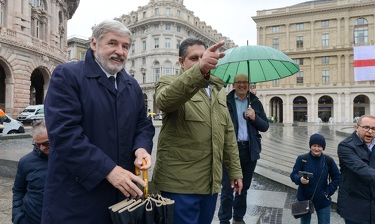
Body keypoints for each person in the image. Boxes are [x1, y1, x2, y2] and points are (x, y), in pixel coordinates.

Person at [41, 20, 155, 223]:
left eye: (125, 46)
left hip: (122, 199)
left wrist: (141, 148)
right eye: (113, 43)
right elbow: (65, 134)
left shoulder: (132, 85)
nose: (119, 51)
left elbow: (143, 125)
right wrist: (108, 170)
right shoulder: (67, 76)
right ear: (94, 44)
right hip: (77, 200)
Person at [152, 38, 243, 224]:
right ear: (181, 62)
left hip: (210, 184)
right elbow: (164, 101)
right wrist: (199, 71)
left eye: (204, 56)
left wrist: (235, 170)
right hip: (180, 184)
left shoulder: (218, 89)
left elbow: (228, 133)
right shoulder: (169, 81)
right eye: (194, 58)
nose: (201, 61)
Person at [218, 74, 269, 224]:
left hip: (249, 150)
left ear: (249, 84)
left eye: (245, 82)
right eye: (239, 82)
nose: (242, 85)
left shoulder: (255, 102)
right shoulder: (225, 102)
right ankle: (224, 219)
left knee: (243, 187)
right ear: (233, 85)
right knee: (227, 188)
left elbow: (265, 126)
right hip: (229, 150)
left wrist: (254, 118)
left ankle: (238, 218)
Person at [290, 133, 340, 224]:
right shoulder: (302, 159)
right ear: (310, 146)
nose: (316, 149)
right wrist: (300, 179)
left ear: (323, 147)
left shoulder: (328, 160)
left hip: (323, 200)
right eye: (314, 146)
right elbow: (293, 175)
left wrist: (328, 192)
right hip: (304, 199)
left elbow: (337, 177)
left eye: (319, 146)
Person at [337, 115, 375, 224]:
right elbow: (360, 168)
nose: (370, 131)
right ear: (357, 127)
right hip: (354, 206)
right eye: (366, 127)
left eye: (373, 128)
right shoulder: (345, 146)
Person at [12, 119, 49, 224]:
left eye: (46, 143)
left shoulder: (67, 160)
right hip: (31, 219)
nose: (41, 148)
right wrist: (18, 217)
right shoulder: (26, 161)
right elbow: (18, 190)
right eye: (37, 144)